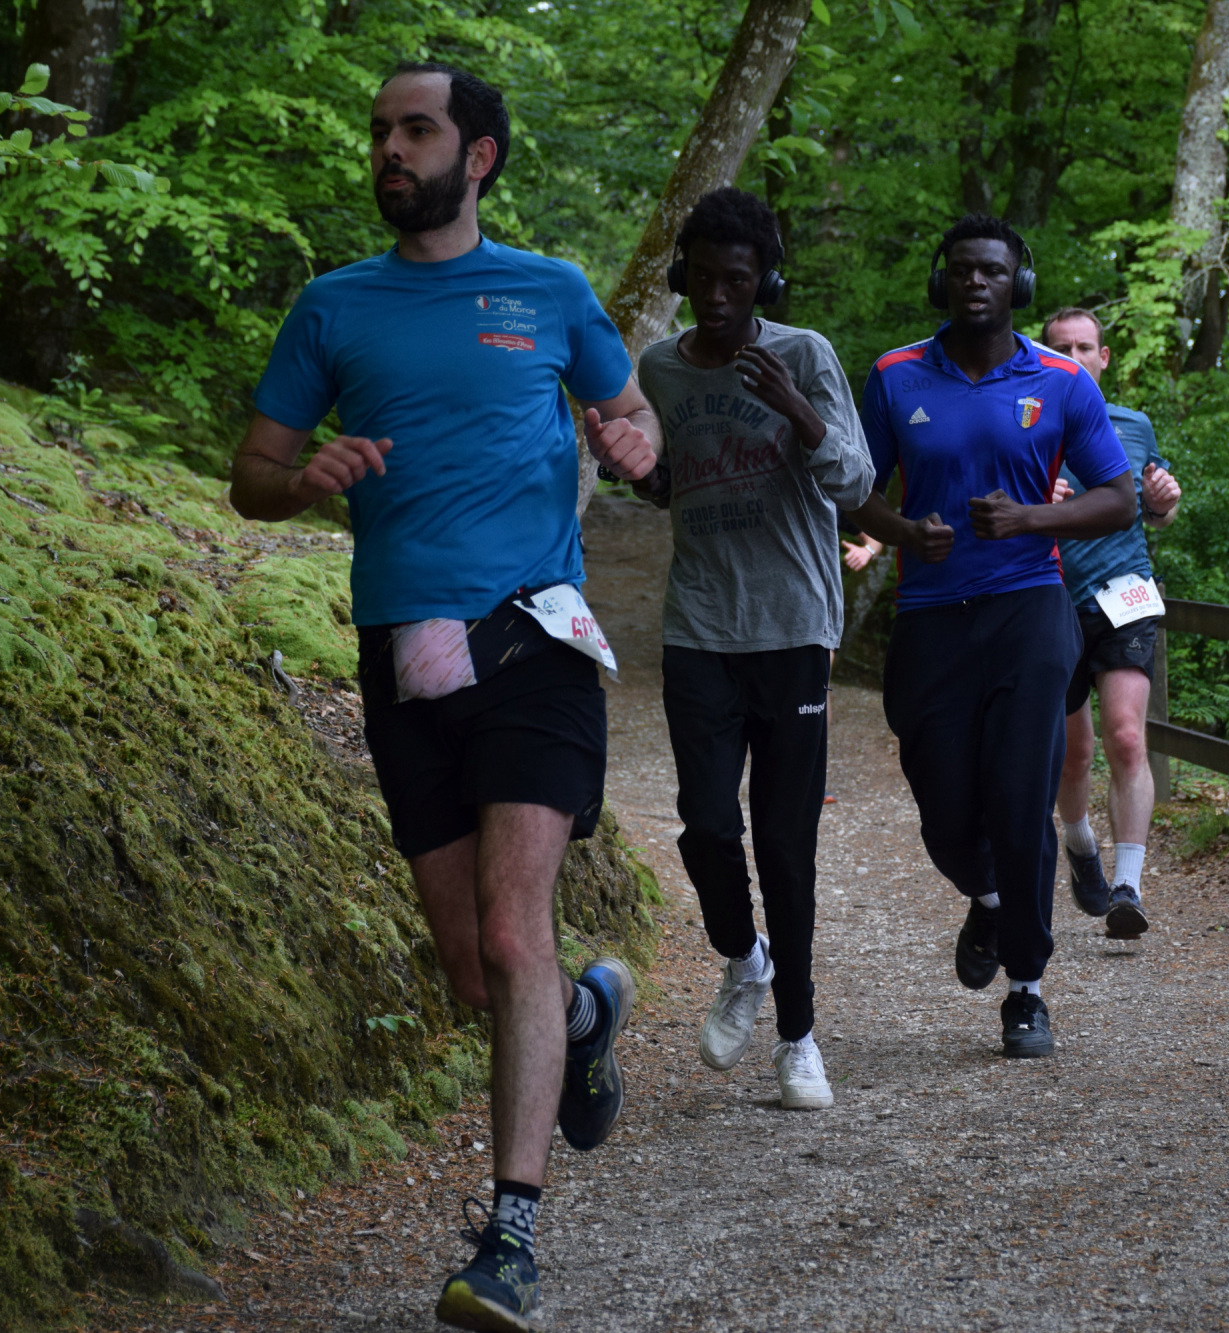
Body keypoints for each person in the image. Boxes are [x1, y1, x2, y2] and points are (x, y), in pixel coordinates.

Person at [227, 63, 658, 1333]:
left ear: (477, 157)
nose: (388, 150)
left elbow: (629, 414)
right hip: (405, 659)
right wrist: (304, 477)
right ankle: (585, 1014)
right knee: (475, 968)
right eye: (379, 132)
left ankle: (507, 1240)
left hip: (534, 641)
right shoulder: (332, 306)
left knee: (514, 929)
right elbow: (250, 474)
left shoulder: (550, 291)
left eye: (414, 130)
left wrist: (631, 441)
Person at [849, 215, 1136, 1058]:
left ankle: (1027, 990)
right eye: (963, 269)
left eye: (994, 270)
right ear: (942, 280)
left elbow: (1118, 498)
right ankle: (991, 898)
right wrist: (905, 532)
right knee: (942, 805)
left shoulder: (1062, 380)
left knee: (1019, 797)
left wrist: (1030, 518)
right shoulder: (895, 374)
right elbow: (853, 490)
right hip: (931, 612)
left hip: (1028, 607)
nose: (977, 281)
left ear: (1020, 284)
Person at [633, 187, 874, 1110]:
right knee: (704, 821)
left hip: (793, 626)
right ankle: (744, 958)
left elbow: (854, 480)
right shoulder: (661, 367)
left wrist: (794, 407)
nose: (718, 296)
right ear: (682, 277)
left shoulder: (803, 355)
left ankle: (799, 1036)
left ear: (765, 280)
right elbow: (674, 485)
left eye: (737, 280)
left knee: (783, 841)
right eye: (702, 279)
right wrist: (637, 468)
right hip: (698, 624)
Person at [1040, 308, 1182, 941]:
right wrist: (1035, 503)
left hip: (1124, 594)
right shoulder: (1026, 425)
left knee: (1126, 736)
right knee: (1074, 754)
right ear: (1044, 356)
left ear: (1103, 357)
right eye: (1061, 348)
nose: (1073, 357)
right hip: (1050, 599)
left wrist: (1162, 503)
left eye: (1084, 347)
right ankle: (1080, 846)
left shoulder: (1133, 424)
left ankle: (1128, 887)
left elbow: (1157, 510)